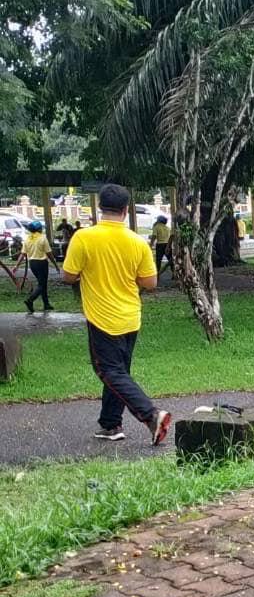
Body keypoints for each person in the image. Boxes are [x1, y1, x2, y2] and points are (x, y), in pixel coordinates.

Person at [62, 183, 172, 445]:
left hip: (101, 318)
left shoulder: (84, 238)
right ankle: (110, 424)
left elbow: (68, 275)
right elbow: (150, 283)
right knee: (119, 371)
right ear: (126, 210)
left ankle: (151, 415)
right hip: (130, 316)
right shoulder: (137, 241)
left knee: (109, 372)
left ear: (100, 208)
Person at [21, 220, 56, 312]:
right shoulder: (42, 238)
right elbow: (49, 253)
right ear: (39, 229)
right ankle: (30, 300)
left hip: (32, 263)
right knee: (42, 284)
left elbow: (23, 254)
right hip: (41, 263)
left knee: (42, 283)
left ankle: (46, 304)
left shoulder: (27, 239)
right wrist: (55, 264)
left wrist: (16, 265)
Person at [150, 215, 172, 279]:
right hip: (167, 245)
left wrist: (151, 245)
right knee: (170, 259)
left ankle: (157, 274)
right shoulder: (167, 227)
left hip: (160, 245)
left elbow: (154, 236)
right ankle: (174, 274)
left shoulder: (156, 227)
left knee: (158, 260)